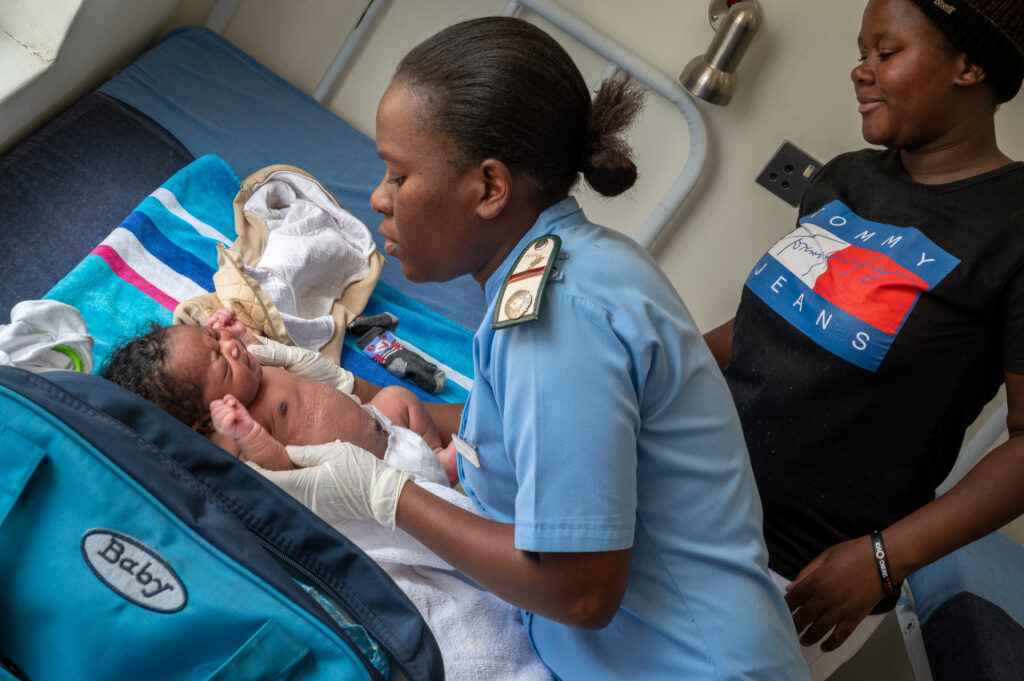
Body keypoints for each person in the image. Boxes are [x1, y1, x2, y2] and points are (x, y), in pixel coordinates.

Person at [249, 16, 810, 681]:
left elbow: (580, 591)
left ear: (488, 187)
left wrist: (383, 493)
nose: (379, 198)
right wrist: (353, 391)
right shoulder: (564, 265)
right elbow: (518, 431)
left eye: (399, 175)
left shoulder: (556, 320)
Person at [702, 0, 1024, 675]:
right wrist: (646, 367)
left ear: (969, 66)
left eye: (886, 51)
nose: (860, 70)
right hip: (687, 486)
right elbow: (771, 326)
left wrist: (884, 558)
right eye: (861, 50)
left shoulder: (1012, 227)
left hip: (796, 573)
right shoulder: (846, 176)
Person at [101, 308, 458, 486]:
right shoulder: (234, 430)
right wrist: (245, 433)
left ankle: (435, 453)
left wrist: (238, 334)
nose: (232, 349)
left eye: (214, 338)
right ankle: (436, 475)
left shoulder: (250, 368)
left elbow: (269, 354)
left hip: (383, 425)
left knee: (396, 395)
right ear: (206, 421)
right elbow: (269, 471)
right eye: (223, 364)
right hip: (376, 474)